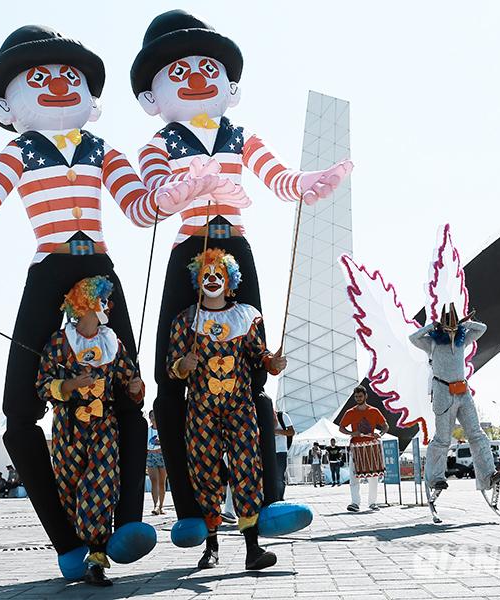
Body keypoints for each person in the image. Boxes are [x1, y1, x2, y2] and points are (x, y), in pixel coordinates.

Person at [0, 24, 222, 579]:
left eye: (69, 76)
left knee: (129, 392)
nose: (59, 85)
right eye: (41, 79)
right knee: (17, 415)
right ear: (8, 105)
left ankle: (127, 522)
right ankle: (67, 541)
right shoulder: (17, 154)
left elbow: (138, 207)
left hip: (100, 268)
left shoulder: (104, 151)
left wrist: (175, 195)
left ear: (91, 97)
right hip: (49, 268)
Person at [131, 9, 352, 545]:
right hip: (189, 244)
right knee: (169, 373)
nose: (197, 77)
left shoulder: (239, 134)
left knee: (256, 369)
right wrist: (178, 191)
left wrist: (307, 184)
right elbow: (152, 192)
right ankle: (190, 510)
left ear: (230, 87)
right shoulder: (159, 142)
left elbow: (276, 174)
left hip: (238, 247)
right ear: (151, 97)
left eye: (207, 66)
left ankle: (266, 503)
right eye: (178, 71)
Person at [168, 249, 288, 570]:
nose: (211, 279)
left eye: (217, 275)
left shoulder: (245, 317)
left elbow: (258, 355)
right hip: (201, 409)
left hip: (239, 406)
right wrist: (184, 364)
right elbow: (172, 368)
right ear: (198, 280)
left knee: (246, 469)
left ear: (228, 281)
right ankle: (211, 547)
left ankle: (252, 549)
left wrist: (272, 363)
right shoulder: (185, 321)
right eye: (206, 275)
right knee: (205, 471)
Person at [37, 276, 146, 586]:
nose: (107, 306)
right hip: (68, 428)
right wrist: (70, 385)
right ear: (84, 305)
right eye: (101, 301)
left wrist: (136, 388)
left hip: (103, 425)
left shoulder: (112, 341)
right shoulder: (58, 343)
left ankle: (98, 557)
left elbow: (129, 379)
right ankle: (80, 551)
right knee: (69, 491)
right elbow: (42, 386)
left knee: (100, 484)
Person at [410, 303, 500, 523]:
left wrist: (465, 322)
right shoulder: (432, 342)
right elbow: (413, 338)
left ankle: (488, 474)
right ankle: (435, 478)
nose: (451, 329)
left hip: (463, 392)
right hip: (443, 393)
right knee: (443, 439)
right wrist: (432, 326)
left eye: (454, 325)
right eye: (448, 325)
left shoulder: (463, 339)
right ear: (442, 325)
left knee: (477, 434)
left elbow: (481, 328)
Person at [338, 387, 387, 512]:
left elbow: (385, 426)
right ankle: (355, 503)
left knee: (373, 476)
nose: (358, 398)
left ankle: (373, 503)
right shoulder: (350, 412)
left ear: (365, 396)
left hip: (371, 446)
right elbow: (341, 428)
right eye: (356, 397)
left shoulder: (374, 411)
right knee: (354, 476)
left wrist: (379, 434)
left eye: (360, 396)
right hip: (356, 447)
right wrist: (352, 433)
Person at [146, 410, 168, 515]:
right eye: (152, 416)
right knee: (154, 480)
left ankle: (161, 506)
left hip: (162, 456)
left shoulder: (163, 429)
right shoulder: (148, 430)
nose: (154, 418)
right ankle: (155, 505)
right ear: (150, 418)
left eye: (155, 416)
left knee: (162, 482)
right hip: (151, 456)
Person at [274, 409, 296, 501]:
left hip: (280, 451)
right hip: (267, 451)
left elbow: (292, 432)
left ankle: (280, 498)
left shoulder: (282, 416)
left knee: (279, 476)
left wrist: (276, 432)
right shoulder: (261, 416)